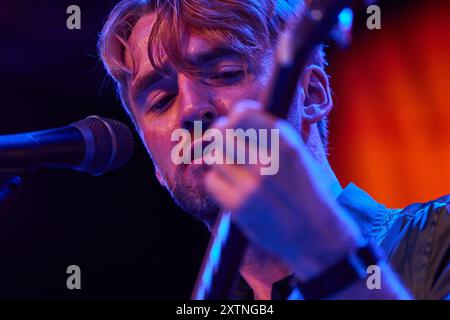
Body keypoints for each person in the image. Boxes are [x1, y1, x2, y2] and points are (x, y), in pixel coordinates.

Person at [98, 0, 449, 299]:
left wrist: (324, 250)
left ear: (311, 95)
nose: (190, 109)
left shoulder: (439, 235)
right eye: (161, 100)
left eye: (225, 73)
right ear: (156, 164)